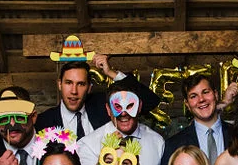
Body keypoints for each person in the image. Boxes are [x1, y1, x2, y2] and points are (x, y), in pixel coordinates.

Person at [34, 55, 162, 135]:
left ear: (89, 88)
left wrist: (111, 72)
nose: (74, 91)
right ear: (59, 84)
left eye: (81, 84)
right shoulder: (43, 121)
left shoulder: (103, 106)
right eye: (68, 83)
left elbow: (150, 101)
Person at [75, 82, 166, 165]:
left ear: (139, 106)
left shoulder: (157, 142)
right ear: (108, 109)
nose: (123, 113)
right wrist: (103, 160)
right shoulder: (88, 144)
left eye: (130, 106)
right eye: (117, 106)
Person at [156, 74, 235, 165]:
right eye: (193, 96)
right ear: (187, 104)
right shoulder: (174, 144)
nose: (201, 99)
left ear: (216, 94)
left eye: (205, 92)